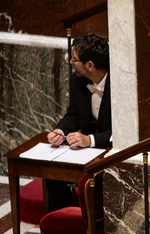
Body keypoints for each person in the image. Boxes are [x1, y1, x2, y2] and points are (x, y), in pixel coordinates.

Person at [45, 34, 112, 211]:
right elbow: (74, 114)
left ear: (90, 65)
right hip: (86, 154)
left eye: (74, 59)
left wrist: (90, 140)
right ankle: (67, 221)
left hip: (113, 153)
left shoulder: (120, 84)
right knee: (52, 174)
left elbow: (123, 131)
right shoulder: (78, 80)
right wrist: (60, 131)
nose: (71, 62)